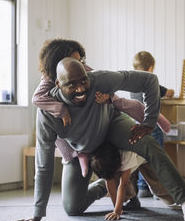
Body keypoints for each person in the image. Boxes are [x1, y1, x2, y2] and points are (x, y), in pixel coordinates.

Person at [5, 57, 185, 221]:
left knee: (148, 143)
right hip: (80, 149)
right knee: (72, 208)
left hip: (111, 127)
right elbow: (43, 164)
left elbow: (149, 80)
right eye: (72, 85)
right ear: (58, 84)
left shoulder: (100, 79)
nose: (81, 88)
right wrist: (37, 214)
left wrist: (148, 122)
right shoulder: (47, 114)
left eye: (83, 80)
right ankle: (108, 184)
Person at [30, 39, 170, 209]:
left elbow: (114, 86)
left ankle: (132, 180)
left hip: (102, 133)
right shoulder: (47, 88)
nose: (80, 65)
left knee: (139, 135)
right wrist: (61, 110)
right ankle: (105, 185)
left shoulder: (87, 74)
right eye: (74, 61)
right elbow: (37, 99)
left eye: (80, 61)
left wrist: (111, 99)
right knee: (72, 208)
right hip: (76, 147)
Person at [90, 141, 178, 221]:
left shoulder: (126, 153)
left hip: (145, 158)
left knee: (158, 187)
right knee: (115, 180)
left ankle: (180, 200)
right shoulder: (103, 156)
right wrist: (116, 209)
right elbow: (109, 183)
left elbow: (123, 184)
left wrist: (117, 211)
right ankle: (132, 200)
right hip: (124, 160)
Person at [131, 51, 175, 198]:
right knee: (157, 155)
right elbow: (169, 93)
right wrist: (171, 90)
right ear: (150, 68)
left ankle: (142, 187)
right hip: (152, 124)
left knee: (142, 155)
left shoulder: (132, 83)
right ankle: (158, 189)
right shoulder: (151, 80)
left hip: (136, 124)